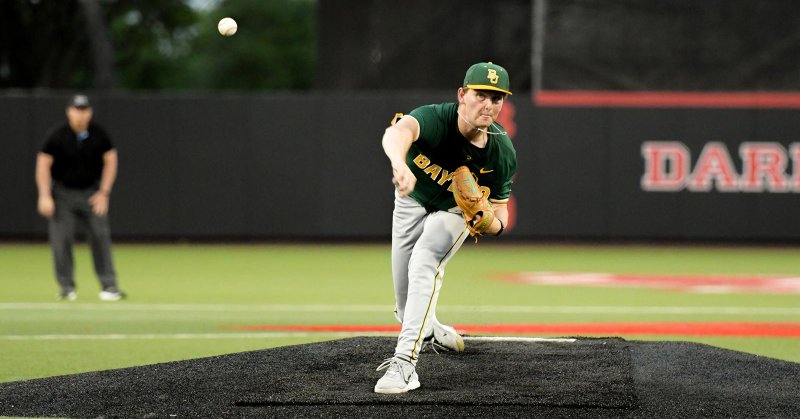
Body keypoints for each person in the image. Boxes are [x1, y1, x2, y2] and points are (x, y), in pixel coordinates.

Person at [375, 62, 516, 393]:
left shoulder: (501, 152)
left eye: (496, 98)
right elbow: (397, 133)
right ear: (462, 94)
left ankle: (405, 365)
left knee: (425, 260)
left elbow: (501, 213)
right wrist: (399, 164)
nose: (488, 104)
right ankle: (428, 328)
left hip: (452, 211)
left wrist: (490, 223)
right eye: (481, 94)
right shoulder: (436, 118)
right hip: (410, 200)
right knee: (404, 304)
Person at [35, 94, 126, 302]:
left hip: (91, 194)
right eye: (77, 109)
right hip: (63, 195)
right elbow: (43, 164)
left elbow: (111, 160)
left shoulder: (98, 135)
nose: (80, 114)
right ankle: (66, 287)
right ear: (69, 112)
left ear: (90, 112)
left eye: (84, 109)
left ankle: (109, 286)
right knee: (61, 239)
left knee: (100, 236)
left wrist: (104, 192)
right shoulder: (57, 135)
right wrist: (44, 194)